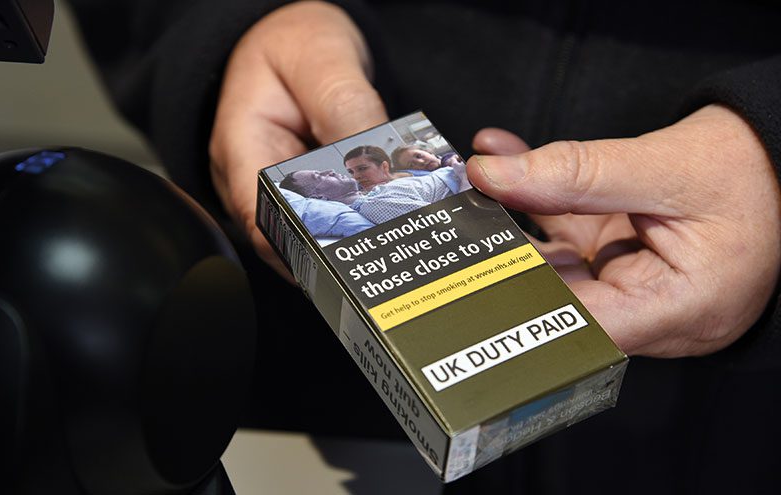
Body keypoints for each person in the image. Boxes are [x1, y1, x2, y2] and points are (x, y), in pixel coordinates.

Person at [66, 1, 781, 493]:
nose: (361, 169)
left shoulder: (410, 187)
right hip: (315, 383)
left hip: (726, 416)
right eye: (357, 168)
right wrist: (230, 25)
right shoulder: (346, 203)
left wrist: (771, 146)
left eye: (368, 165)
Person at [281, 162, 470, 224]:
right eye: (319, 176)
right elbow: (449, 223)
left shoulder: (372, 195)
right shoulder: (374, 206)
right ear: (319, 198)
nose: (329, 170)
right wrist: (465, 178)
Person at [391, 143, 464, 175]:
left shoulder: (450, 158)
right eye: (412, 165)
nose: (421, 162)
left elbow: (448, 160)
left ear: (427, 151)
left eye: (418, 156)